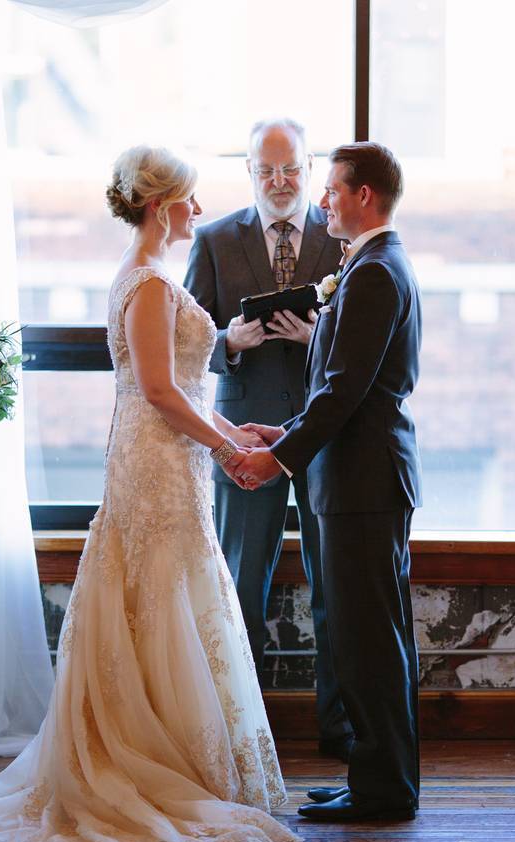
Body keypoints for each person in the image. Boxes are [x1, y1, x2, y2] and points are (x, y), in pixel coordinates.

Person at [0, 146, 300, 842]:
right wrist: (227, 450)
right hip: (154, 461)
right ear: (161, 207)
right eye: (190, 198)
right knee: (156, 590)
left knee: (170, 591)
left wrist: (234, 433)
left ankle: (175, 750)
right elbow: (159, 392)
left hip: (168, 455)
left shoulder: (150, 274)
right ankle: (143, 758)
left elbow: (181, 391)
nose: (199, 210)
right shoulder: (150, 282)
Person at [235, 142, 423, 823]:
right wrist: (282, 432)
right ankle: (379, 779)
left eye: (332, 189)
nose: (321, 201)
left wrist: (278, 460)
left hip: (363, 485)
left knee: (369, 641)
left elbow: (345, 392)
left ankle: (384, 791)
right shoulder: (370, 265)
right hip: (358, 481)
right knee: (368, 637)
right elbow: (342, 390)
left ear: (362, 196)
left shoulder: (374, 273)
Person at [184, 119, 352, 761]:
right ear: (249, 172)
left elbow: (361, 339)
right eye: (266, 170)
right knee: (241, 584)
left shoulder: (340, 235)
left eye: (290, 169)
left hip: (323, 433)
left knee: (331, 583)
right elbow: (188, 346)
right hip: (244, 434)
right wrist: (229, 342)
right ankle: (242, 729)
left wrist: (318, 339)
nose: (279, 181)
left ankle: (339, 726)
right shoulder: (214, 240)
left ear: (308, 168)